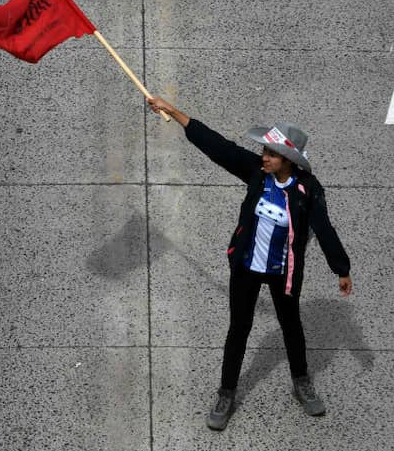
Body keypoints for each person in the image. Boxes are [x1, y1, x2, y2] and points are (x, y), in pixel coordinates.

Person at [146, 96, 353, 431]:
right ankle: (226, 393)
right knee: (238, 329)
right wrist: (176, 113)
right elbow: (220, 148)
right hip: (245, 267)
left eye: (271, 153)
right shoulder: (257, 174)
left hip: (282, 273)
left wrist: (341, 269)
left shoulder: (307, 189)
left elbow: (324, 228)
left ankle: (301, 383)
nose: (264, 157)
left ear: (288, 160)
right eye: (265, 152)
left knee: (291, 326)